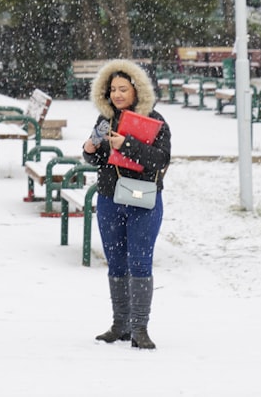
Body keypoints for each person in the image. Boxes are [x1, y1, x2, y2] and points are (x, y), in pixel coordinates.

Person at [82, 59, 171, 350]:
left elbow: (160, 160)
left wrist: (128, 144)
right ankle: (119, 324)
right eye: (113, 89)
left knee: (140, 262)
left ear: (137, 90)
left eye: (123, 89)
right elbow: (97, 159)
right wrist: (90, 149)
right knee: (116, 263)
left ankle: (140, 329)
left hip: (143, 202)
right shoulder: (104, 120)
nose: (118, 94)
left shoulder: (154, 121)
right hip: (109, 199)